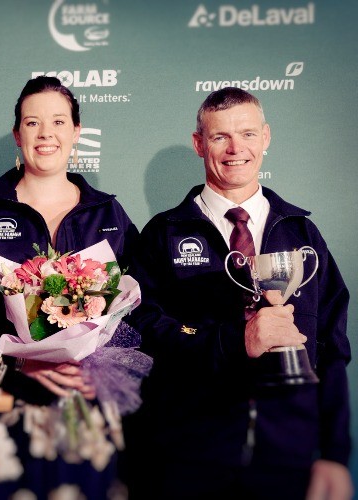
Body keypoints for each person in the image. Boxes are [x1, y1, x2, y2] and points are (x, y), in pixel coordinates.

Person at [122, 87, 352, 499]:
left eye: (247, 134)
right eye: (220, 137)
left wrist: (334, 452)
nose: (235, 149)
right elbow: (140, 332)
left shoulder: (302, 235)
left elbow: (332, 347)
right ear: (199, 144)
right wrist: (233, 341)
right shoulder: (163, 234)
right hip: (188, 454)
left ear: (266, 137)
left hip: (287, 456)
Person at [0, 75, 141, 499]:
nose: (46, 134)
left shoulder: (108, 213)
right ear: (17, 134)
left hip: (87, 410)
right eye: (32, 122)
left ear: (76, 132)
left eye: (58, 122)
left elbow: (138, 309)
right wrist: (20, 363)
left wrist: (103, 368)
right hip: (4, 407)